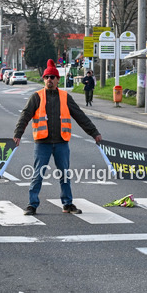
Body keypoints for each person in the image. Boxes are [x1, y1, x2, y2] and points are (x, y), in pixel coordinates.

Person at [13, 59, 102, 215]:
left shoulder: (65, 97)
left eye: (52, 77)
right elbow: (25, 116)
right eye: (47, 77)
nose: (49, 80)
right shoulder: (37, 96)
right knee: (38, 174)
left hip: (61, 142)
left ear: (58, 79)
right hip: (42, 143)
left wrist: (94, 133)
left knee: (65, 174)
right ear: (44, 79)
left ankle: (67, 204)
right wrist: (17, 134)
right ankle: (32, 205)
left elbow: (80, 116)